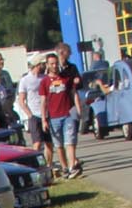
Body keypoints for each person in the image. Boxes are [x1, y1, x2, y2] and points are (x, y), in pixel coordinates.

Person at [42, 43, 83, 178]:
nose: (54, 66)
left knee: (70, 142)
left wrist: (78, 109)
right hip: (53, 117)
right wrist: (44, 119)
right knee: (58, 145)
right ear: (47, 65)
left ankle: (72, 167)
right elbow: (44, 102)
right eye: (52, 64)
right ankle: (65, 167)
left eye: (55, 63)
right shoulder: (45, 82)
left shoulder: (66, 77)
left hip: (68, 114)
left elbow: (73, 92)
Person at [15, 56, 47, 165]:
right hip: (34, 114)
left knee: (48, 143)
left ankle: (48, 163)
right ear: (37, 65)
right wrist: (29, 114)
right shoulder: (25, 80)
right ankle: (36, 163)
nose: (44, 66)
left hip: (46, 114)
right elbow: (21, 100)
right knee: (37, 143)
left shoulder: (44, 78)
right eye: (42, 64)